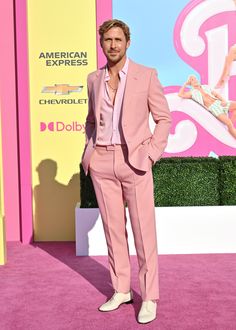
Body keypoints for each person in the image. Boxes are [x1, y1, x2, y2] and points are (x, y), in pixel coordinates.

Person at [81, 19, 171, 324]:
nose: (113, 45)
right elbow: (91, 120)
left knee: (144, 233)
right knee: (113, 231)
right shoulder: (94, 79)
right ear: (101, 43)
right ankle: (121, 289)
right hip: (102, 163)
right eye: (107, 40)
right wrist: (90, 154)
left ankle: (149, 297)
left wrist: (151, 154)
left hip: (135, 161)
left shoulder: (146, 75)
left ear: (128, 42)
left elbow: (164, 118)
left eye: (118, 39)